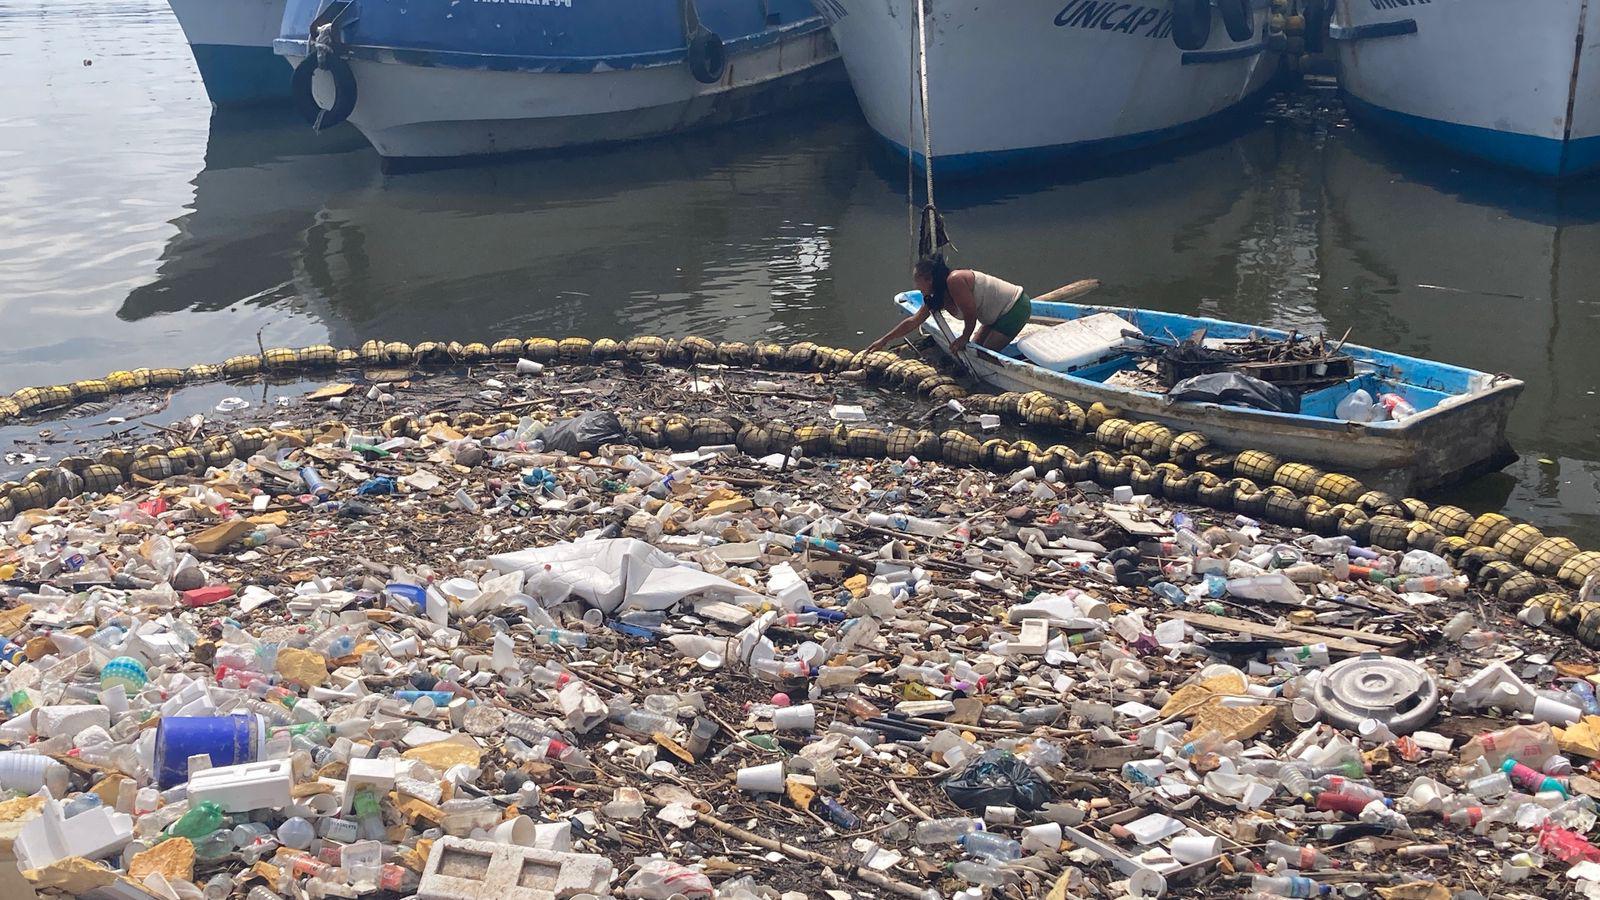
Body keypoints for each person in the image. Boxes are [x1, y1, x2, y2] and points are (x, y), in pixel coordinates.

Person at [864, 255, 1031, 355]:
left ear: (929, 279)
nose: (916, 287)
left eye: (918, 282)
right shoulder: (936, 295)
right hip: (993, 317)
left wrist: (964, 337)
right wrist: (884, 340)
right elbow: (914, 321)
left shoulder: (955, 280)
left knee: (982, 355)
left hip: (1014, 308)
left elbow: (970, 313)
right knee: (974, 349)